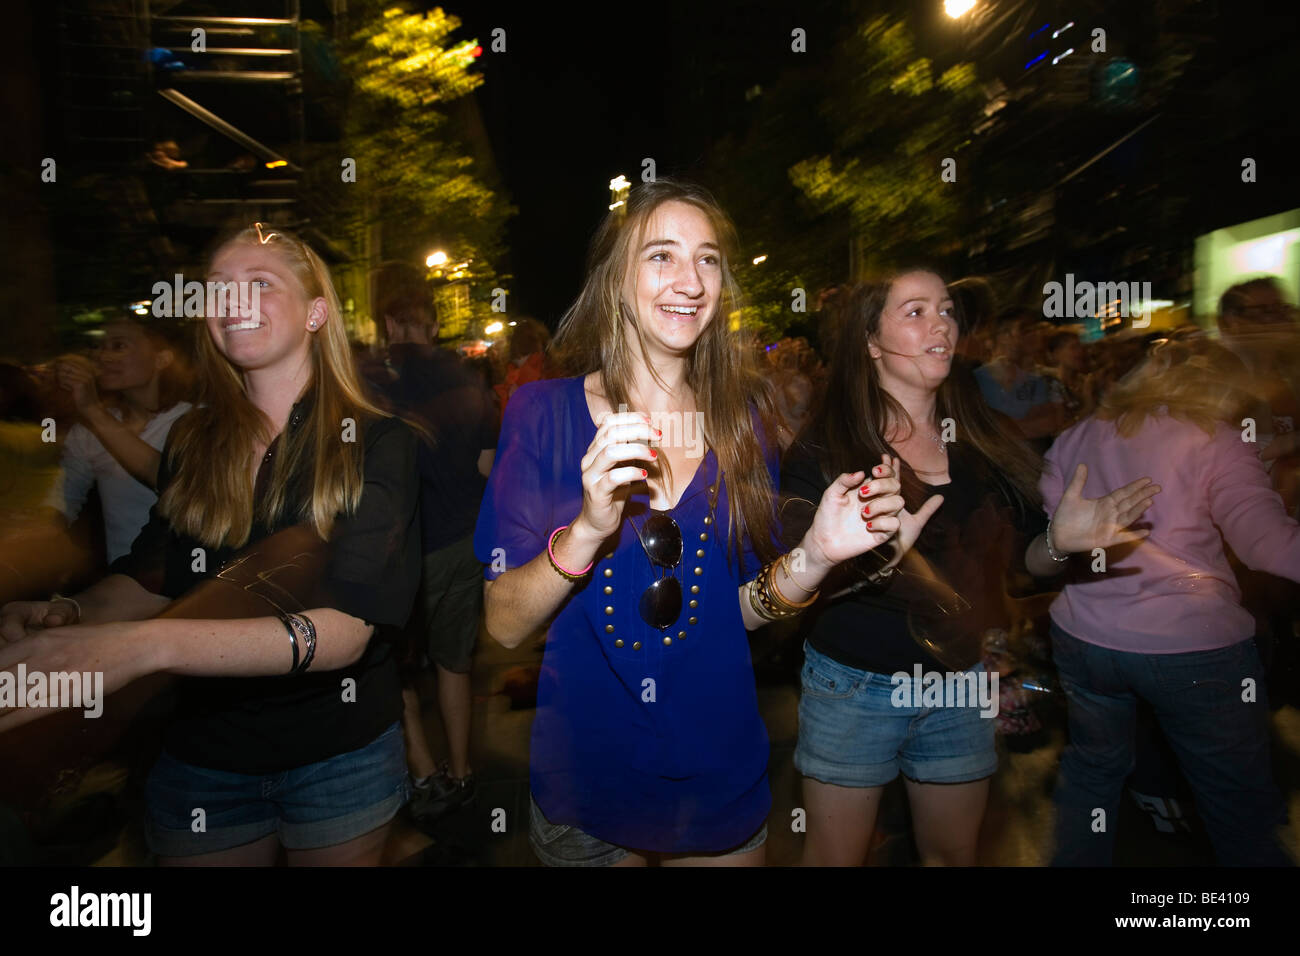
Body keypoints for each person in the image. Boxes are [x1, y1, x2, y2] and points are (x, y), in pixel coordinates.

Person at [474, 180, 910, 866]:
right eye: (661, 256)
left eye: (707, 259)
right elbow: (501, 624)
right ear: (617, 280)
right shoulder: (541, 415)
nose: (690, 279)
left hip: (719, 766)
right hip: (588, 774)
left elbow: (733, 612)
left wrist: (819, 556)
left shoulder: (742, 426)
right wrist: (589, 527)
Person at [0, 223, 419, 866]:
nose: (234, 302)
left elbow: (347, 628)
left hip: (340, 755)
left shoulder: (378, 441)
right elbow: (152, 573)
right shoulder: (193, 439)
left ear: (315, 312)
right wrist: (73, 616)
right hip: (203, 759)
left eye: (260, 283)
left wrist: (141, 649)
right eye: (219, 289)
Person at [780, 270, 1158, 866]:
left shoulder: (982, 437)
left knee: (955, 856)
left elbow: (1025, 562)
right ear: (871, 342)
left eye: (948, 310)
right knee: (835, 857)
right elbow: (797, 580)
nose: (941, 324)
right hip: (854, 685)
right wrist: (872, 561)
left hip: (961, 682)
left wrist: (1062, 543)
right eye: (915, 311)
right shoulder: (825, 450)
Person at [1043, 337, 1298, 866]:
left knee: (1092, 774)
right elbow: (1266, 544)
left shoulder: (1077, 436)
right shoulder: (1216, 440)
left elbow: (1058, 529)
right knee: (1234, 800)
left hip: (1086, 638)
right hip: (1194, 646)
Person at [371, 286, 497, 826]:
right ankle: (463, 772)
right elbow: (491, 468)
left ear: (391, 323)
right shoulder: (470, 381)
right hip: (461, 541)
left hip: (395, 551)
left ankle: (421, 772)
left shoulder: (370, 383)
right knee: (454, 661)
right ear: (432, 324)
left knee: (393, 668)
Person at [45, 316, 193, 564]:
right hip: (122, 585)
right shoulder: (88, 431)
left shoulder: (196, 420)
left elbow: (172, 480)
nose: (103, 356)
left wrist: (92, 409)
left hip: (185, 585)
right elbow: (63, 497)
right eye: (99, 347)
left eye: (118, 346)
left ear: (161, 359)